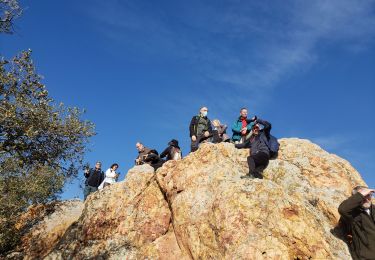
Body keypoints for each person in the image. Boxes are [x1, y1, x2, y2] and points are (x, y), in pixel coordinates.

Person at [338, 186, 375, 259]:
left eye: (368, 195)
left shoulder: (373, 209)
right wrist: (360, 194)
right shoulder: (352, 214)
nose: (366, 199)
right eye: (363, 196)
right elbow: (342, 209)